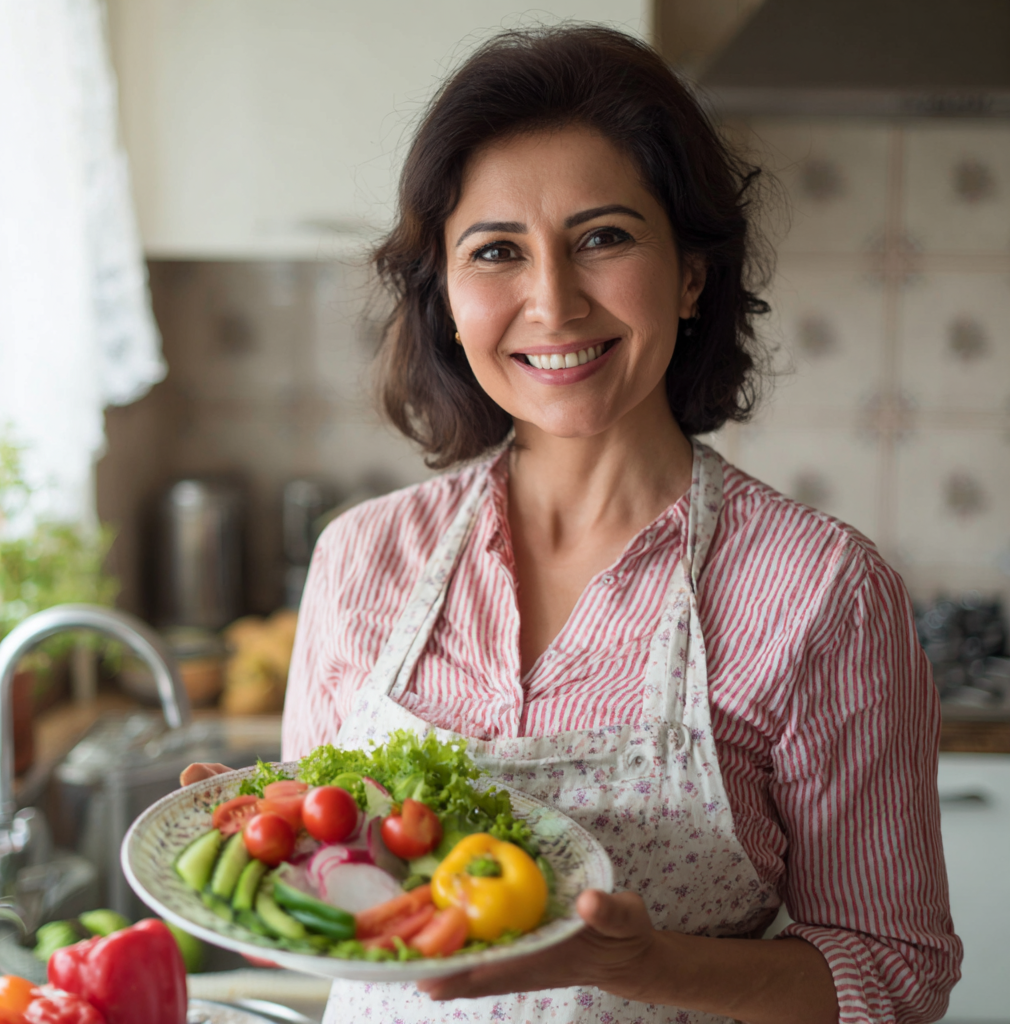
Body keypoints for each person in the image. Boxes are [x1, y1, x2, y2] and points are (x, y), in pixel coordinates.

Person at [184, 24, 961, 1024]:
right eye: (496, 251)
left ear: (688, 274)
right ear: (449, 302)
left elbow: (895, 970)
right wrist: (263, 832)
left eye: (603, 238)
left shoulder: (821, 593)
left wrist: (647, 965)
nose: (550, 301)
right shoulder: (361, 559)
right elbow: (333, 882)